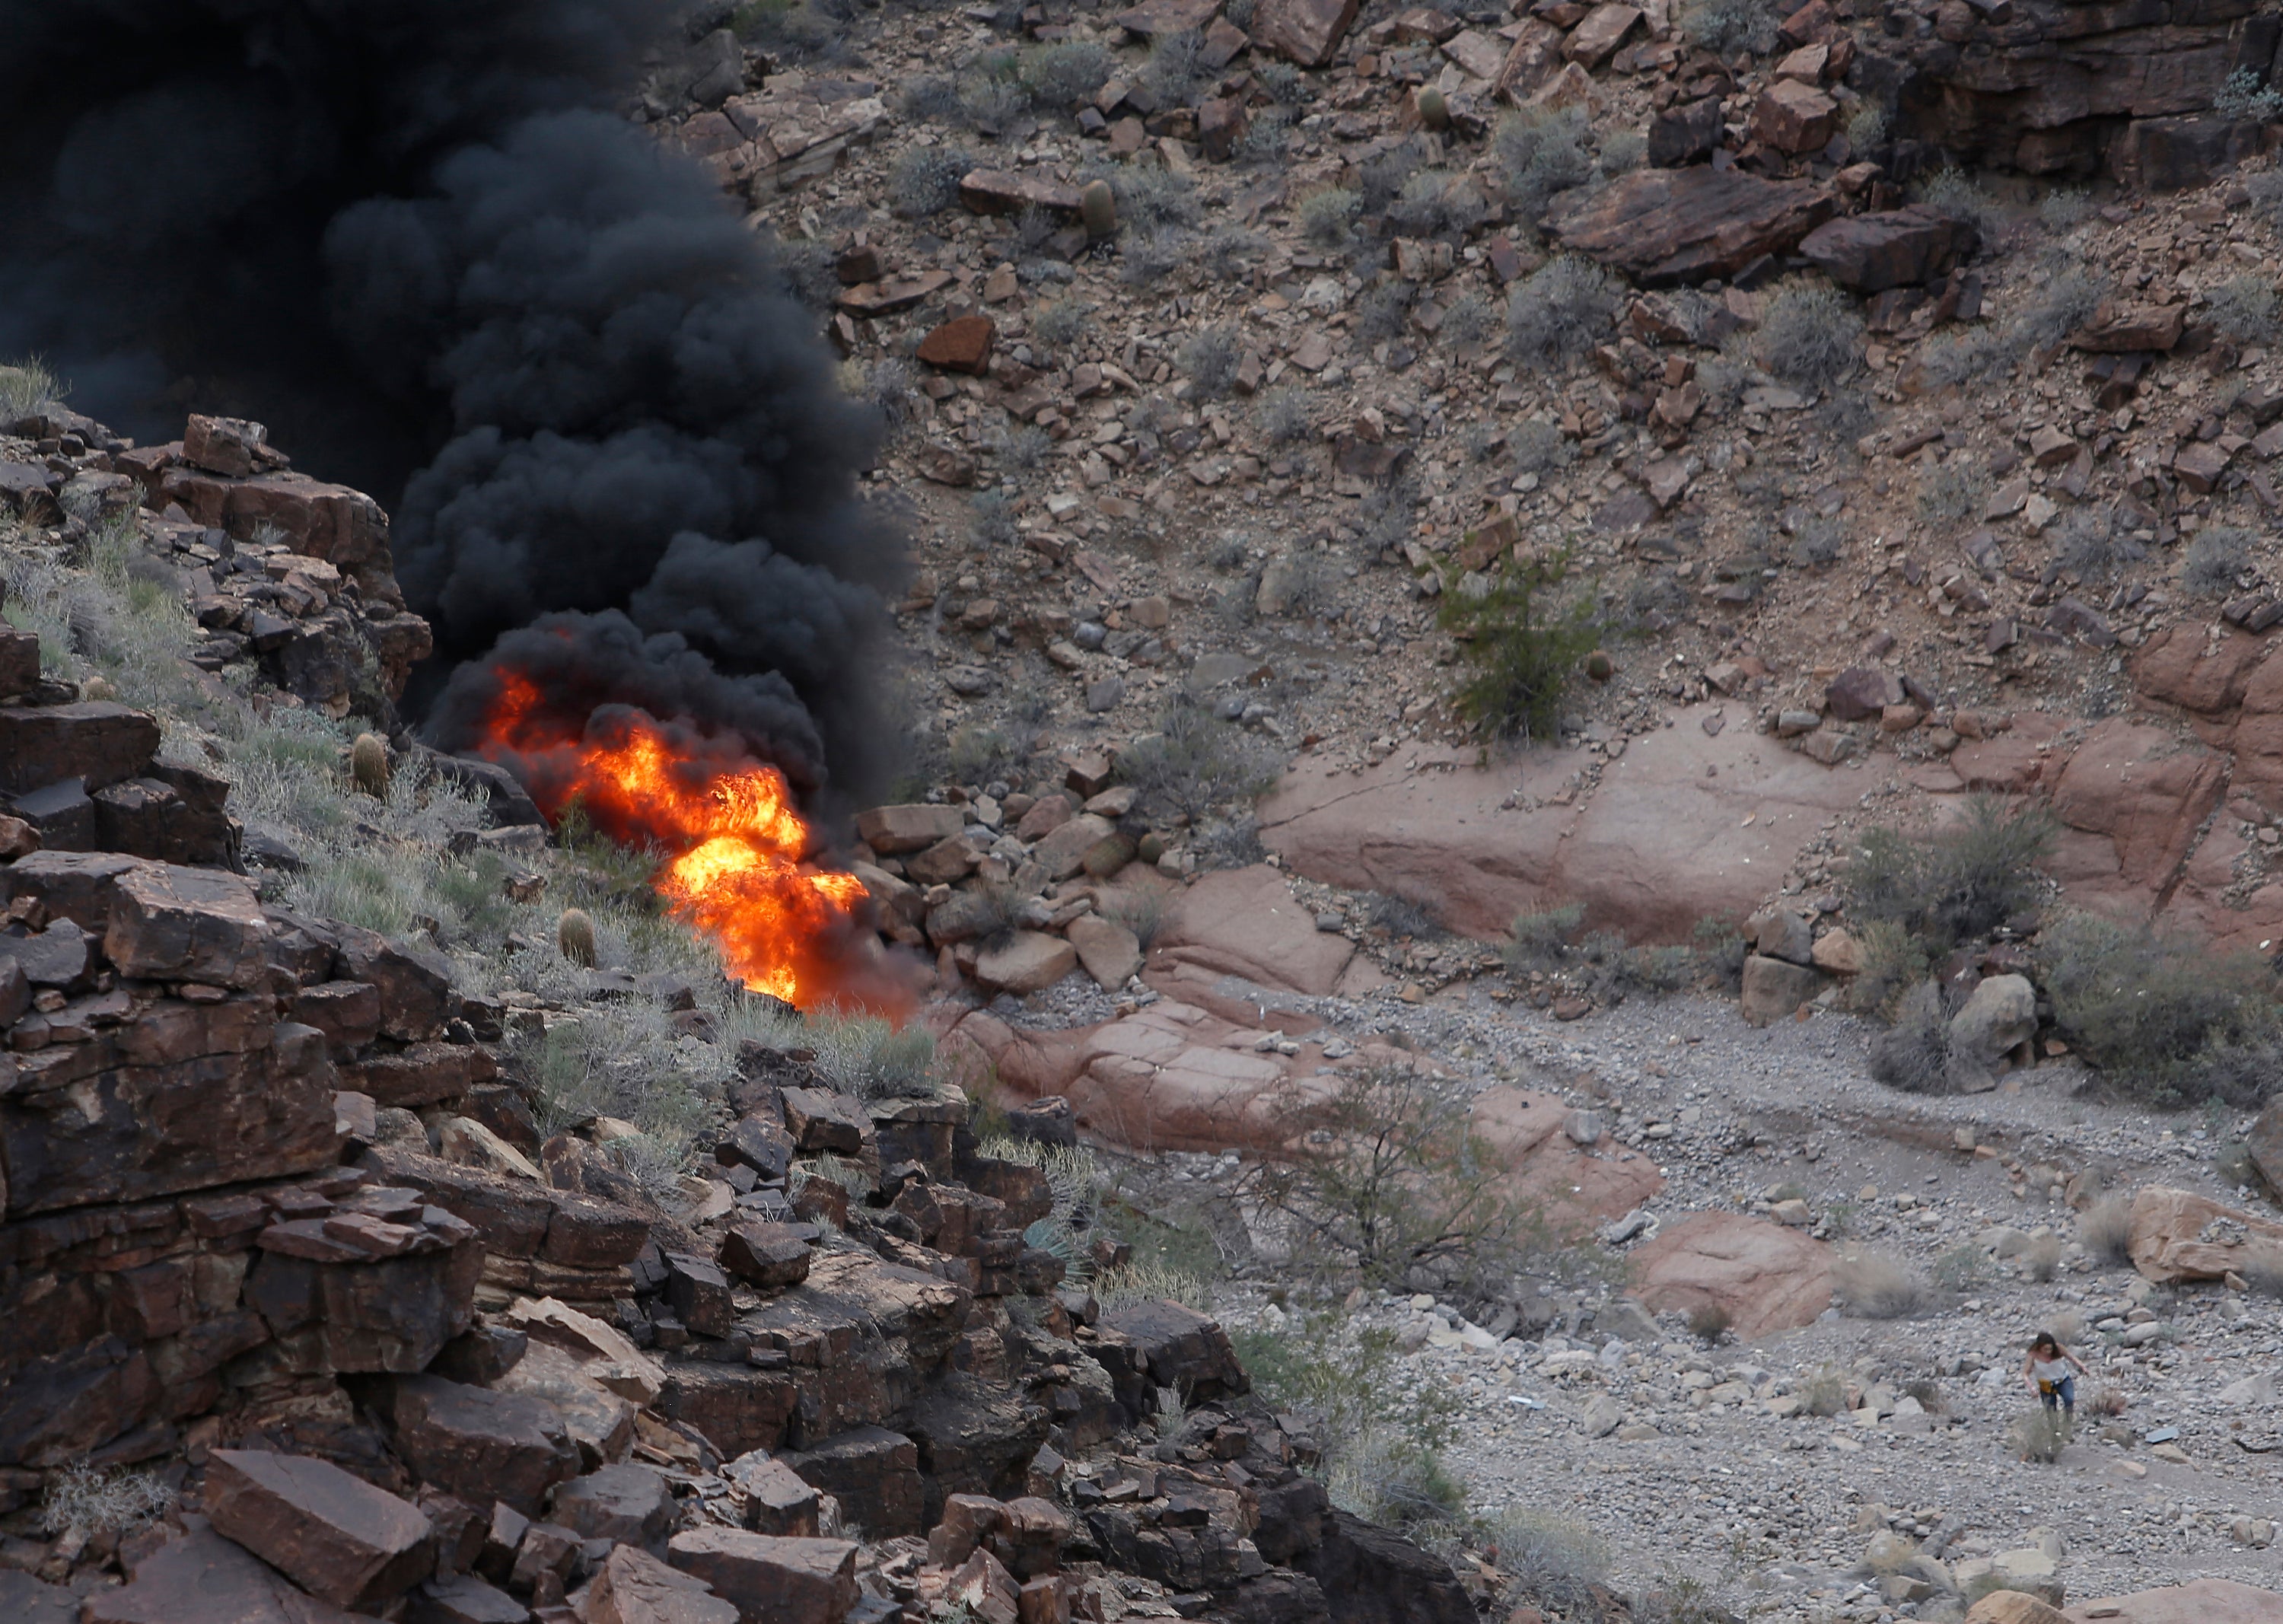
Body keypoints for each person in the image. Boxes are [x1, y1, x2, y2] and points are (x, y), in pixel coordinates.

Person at [2022, 1331, 2089, 1418]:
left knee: (2069, 1400)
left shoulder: (2058, 1348)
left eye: (2050, 1349)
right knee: (2051, 1411)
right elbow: (2025, 1373)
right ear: (2039, 1347)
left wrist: (2083, 1367)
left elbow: (2071, 1357)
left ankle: (2068, 1421)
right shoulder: (2033, 1355)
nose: (2049, 1352)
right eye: (2045, 1349)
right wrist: (2032, 1388)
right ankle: (2054, 1429)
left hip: (2063, 1380)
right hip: (2046, 1385)